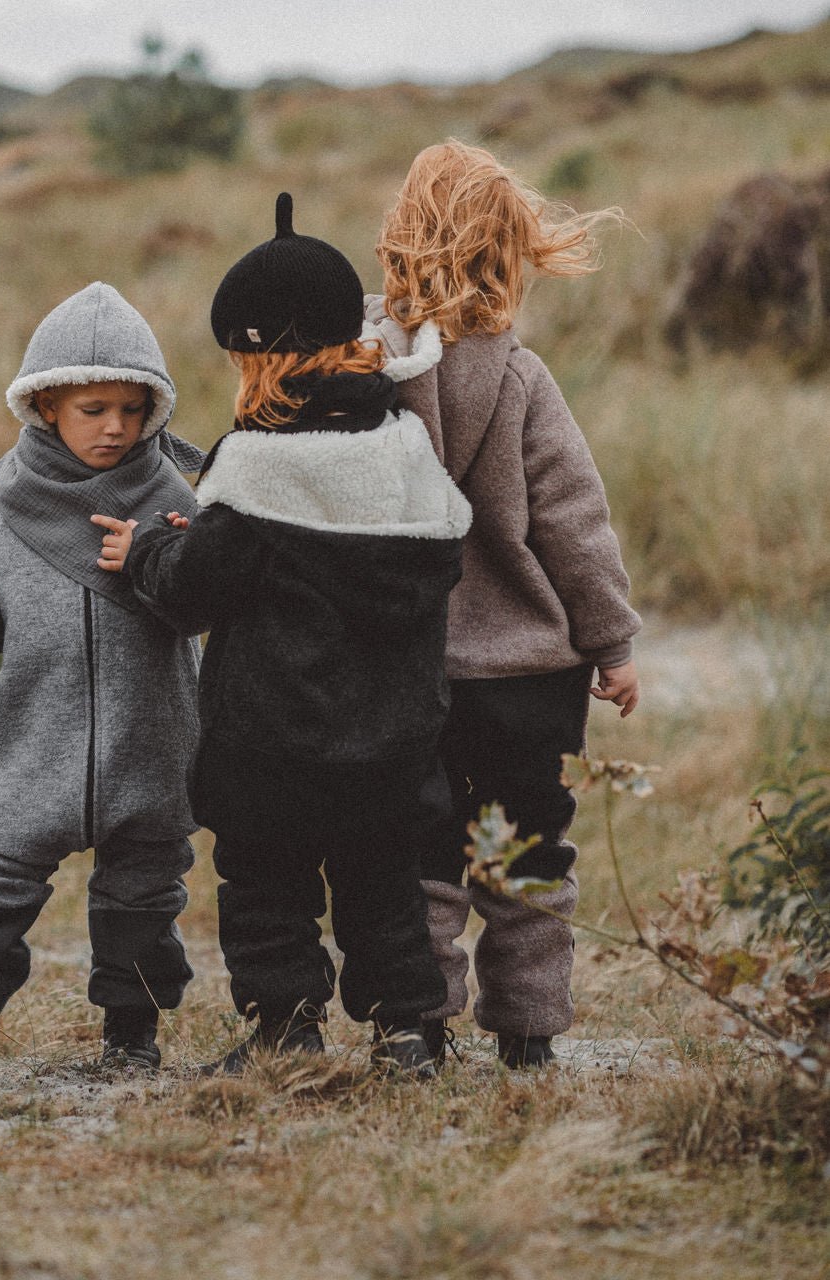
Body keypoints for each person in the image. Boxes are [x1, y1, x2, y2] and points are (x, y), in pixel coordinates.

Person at [100, 194, 472, 1076]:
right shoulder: (403, 450)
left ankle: (285, 1030)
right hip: (392, 742)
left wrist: (148, 548)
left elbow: (196, 589)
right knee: (383, 889)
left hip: (272, 741)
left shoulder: (260, 465)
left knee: (267, 892)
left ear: (261, 357)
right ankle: (409, 1031)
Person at [365, 141, 641, 1070]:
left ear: (399, 240)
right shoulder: (520, 380)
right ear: (505, 254)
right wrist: (610, 642)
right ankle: (527, 1027)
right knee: (527, 845)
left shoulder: (358, 364)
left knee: (420, 844)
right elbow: (573, 521)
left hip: (401, 660)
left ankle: (418, 1024)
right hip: (527, 670)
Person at [0, 282, 203, 1080]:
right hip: (31, 736)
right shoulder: (11, 496)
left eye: (132, 409)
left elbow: (203, 608)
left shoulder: (178, 497)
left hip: (150, 735)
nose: (115, 426)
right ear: (48, 403)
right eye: (94, 408)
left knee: (142, 900)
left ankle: (131, 1042)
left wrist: (154, 559)